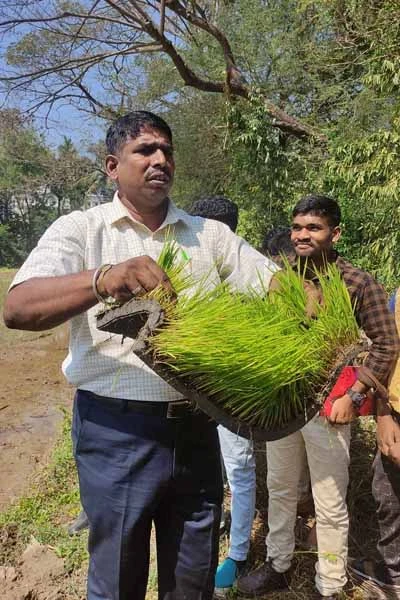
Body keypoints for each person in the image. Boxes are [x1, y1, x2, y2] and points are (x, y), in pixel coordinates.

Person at [3, 110, 278, 600]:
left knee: (192, 581)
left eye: (167, 151)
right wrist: (101, 278)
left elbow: (270, 283)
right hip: (116, 433)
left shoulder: (208, 235)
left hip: (197, 431)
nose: (160, 160)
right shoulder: (82, 229)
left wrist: (307, 297)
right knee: (117, 579)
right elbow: (19, 307)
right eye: (145, 150)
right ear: (112, 166)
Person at [237, 194, 400, 599]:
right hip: (284, 402)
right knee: (280, 487)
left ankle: (329, 583)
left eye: (313, 227)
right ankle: (278, 563)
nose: (302, 235)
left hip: (330, 407)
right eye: (297, 227)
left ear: (335, 233)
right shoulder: (282, 279)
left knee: (329, 499)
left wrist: (356, 393)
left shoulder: (358, 283)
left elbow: (386, 344)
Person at [188, 196, 256, 598]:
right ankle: (222, 520)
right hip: (195, 393)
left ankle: (239, 554)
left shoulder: (247, 271)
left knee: (240, 468)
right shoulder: (193, 269)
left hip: (234, 394)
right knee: (212, 469)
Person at [349, 289, 400, 598]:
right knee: (387, 495)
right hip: (395, 414)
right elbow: (388, 351)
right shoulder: (398, 296)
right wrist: (383, 414)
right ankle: (393, 572)